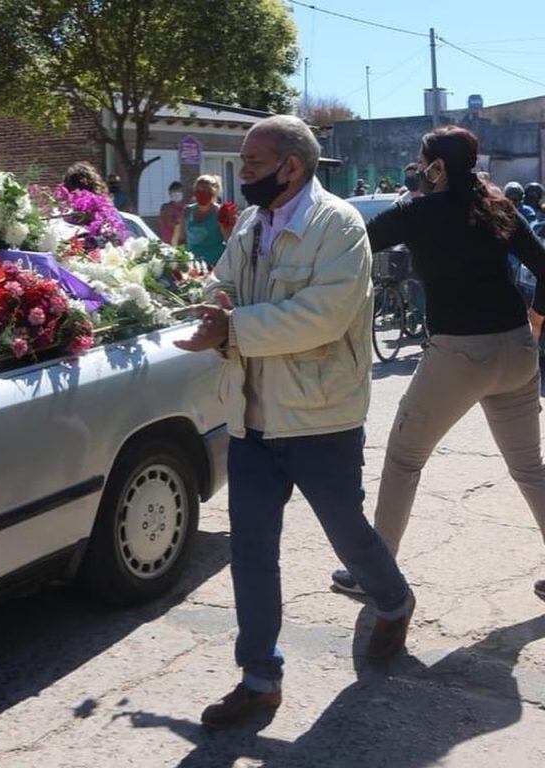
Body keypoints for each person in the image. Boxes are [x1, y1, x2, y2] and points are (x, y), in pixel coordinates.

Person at [174, 115, 415, 729]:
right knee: (253, 552)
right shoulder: (252, 223)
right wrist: (213, 305)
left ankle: (392, 599)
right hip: (249, 416)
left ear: (292, 167)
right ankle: (260, 679)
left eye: (253, 165)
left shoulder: (339, 227)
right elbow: (224, 280)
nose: (244, 175)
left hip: (319, 416)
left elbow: (323, 316)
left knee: (347, 533)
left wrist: (235, 328)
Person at [329, 126, 545, 605]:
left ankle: (376, 573)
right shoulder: (499, 208)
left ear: (436, 167)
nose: (417, 167)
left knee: (404, 459)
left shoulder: (417, 212)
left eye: (421, 160)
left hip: (459, 354)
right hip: (515, 350)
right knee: (530, 468)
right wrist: (534, 324)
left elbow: (358, 244)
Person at [179, 175, 227, 267]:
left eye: (205, 191)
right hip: (193, 265)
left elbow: (229, 240)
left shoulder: (221, 212)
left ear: (214, 192)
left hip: (216, 265)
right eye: (198, 190)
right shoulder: (187, 211)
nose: (201, 193)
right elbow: (181, 239)